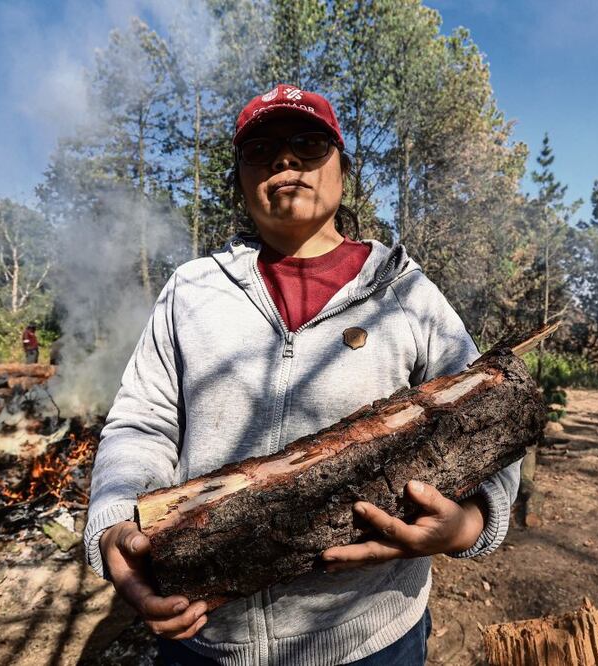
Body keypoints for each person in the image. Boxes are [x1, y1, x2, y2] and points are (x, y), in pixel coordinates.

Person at [86, 83, 521, 665]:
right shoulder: (190, 291)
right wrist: (116, 524)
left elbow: (491, 415)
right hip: (207, 638)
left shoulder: (405, 291)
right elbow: (142, 421)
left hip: (372, 637)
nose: (284, 159)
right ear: (241, 180)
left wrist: (469, 523)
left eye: (307, 144)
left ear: (342, 165)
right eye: (260, 150)